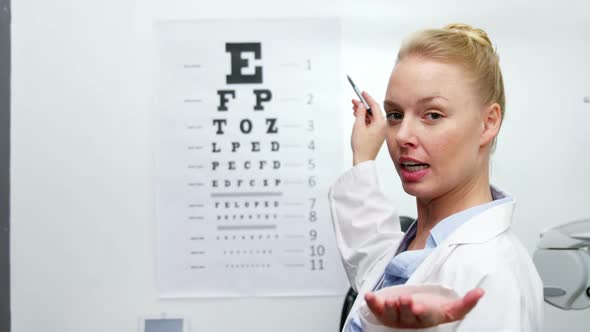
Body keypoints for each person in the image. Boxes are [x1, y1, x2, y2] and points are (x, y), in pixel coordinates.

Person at [328, 23, 544, 332]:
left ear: (488, 123)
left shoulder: (492, 274)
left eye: (432, 115)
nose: (402, 136)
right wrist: (363, 158)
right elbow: (373, 258)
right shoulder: (420, 244)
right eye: (395, 115)